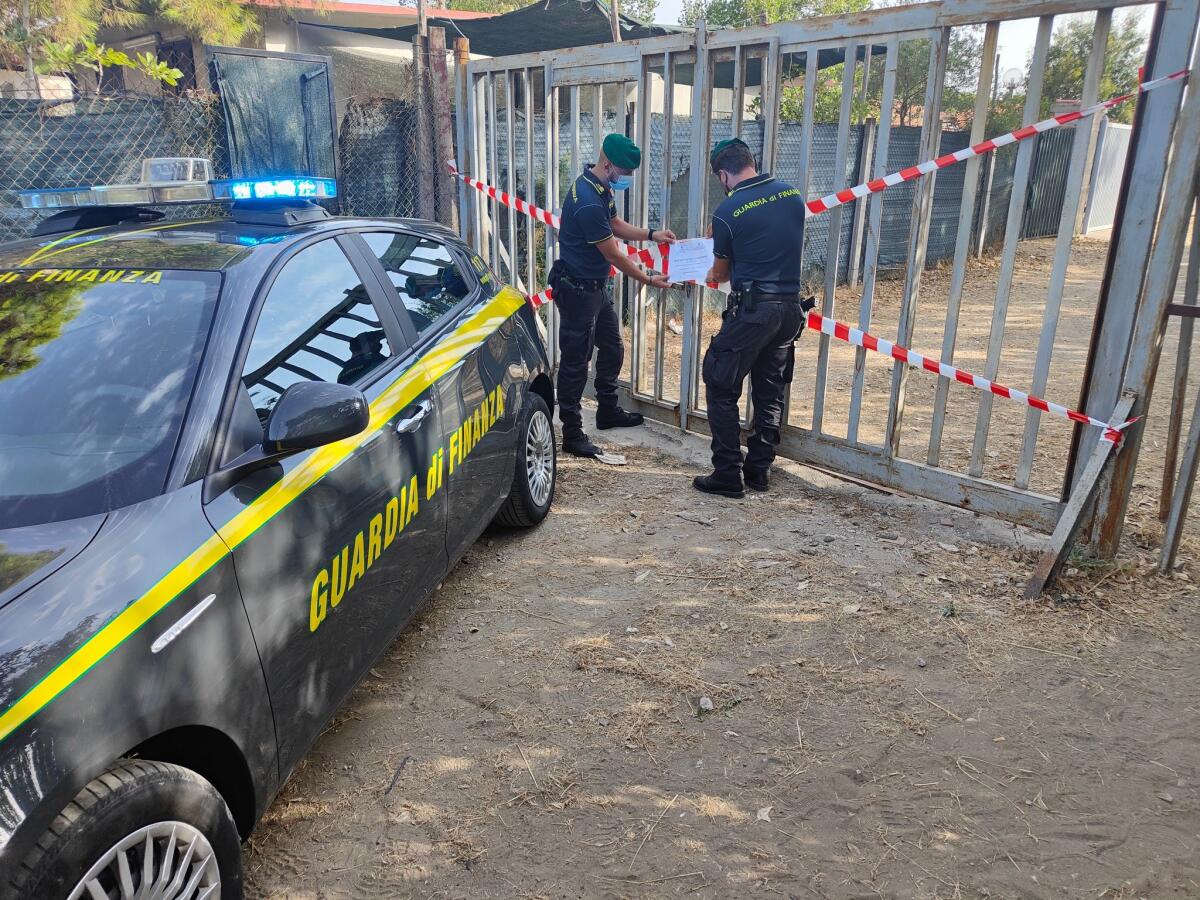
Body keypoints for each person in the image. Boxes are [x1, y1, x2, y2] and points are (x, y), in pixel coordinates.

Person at [693, 138, 809, 499]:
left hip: (753, 311)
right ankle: (759, 470)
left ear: (723, 174)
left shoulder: (727, 212)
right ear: (752, 162)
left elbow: (721, 276)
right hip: (789, 309)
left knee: (720, 380)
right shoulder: (792, 195)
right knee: (769, 389)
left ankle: (727, 473)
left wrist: (712, 261)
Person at [550, 133, 677, 458]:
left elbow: (615, 223)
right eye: (624, 173)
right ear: (607, 164)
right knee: (576, 364)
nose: (626, 180)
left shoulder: (598, 187)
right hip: (578, 291)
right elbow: (614, 255)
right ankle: (572, 433)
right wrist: (647, 278)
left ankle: (607, 409)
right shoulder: (588, 199)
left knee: (612, 345)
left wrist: (650, 234)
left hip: (594, 289)